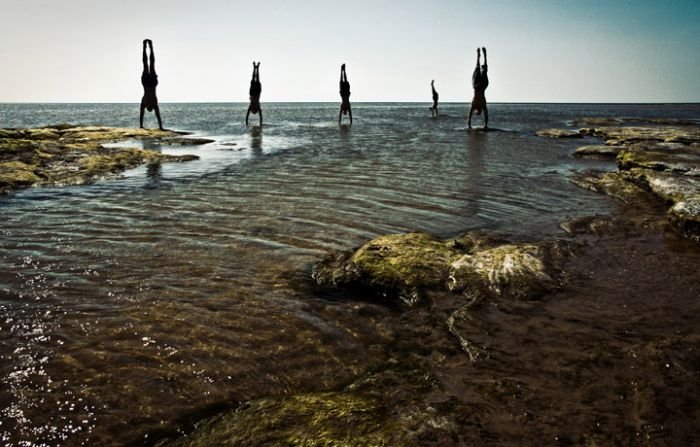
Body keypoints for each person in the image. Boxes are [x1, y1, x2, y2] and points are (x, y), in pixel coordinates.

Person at [140, 39, 163, 130]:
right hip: (147, 83)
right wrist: (160, 127)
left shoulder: (154, 104)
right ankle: (146, 46)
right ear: (147, 108)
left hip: (152, 83)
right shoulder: (146, 102)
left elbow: (157, 116)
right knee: (146, 64)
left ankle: (149, 46)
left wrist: (141, 126)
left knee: (151, 64)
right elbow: (142, 114)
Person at [468, 47, 489, 129]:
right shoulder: (482, 104)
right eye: (478, 112)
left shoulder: (474, 104)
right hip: (481, 86)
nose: (477, 111)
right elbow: (486, 115)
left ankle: (479, 55)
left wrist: (469, 125)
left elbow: (469, 116)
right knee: (483, 70)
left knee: (478, 68)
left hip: (476, 86)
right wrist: (485, 125)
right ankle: (483, 55)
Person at [246, 62, 262, 126]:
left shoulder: (254, 107)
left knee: (254, 80)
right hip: (254, 93)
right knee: (256, 79)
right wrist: (260, 123)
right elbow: (261, 117)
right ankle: (256, 68)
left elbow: (247, 116)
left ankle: (256, 67)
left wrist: (247, 123)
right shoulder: (256, 107)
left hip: (253, 93)